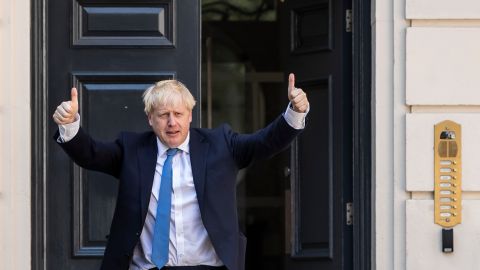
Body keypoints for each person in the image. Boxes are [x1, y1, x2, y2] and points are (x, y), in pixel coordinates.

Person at [53, 73, 309, 270]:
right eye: (163, 115)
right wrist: (70, 125)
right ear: (150, 118)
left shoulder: (221, 144)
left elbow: (264, 142)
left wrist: (295, 112)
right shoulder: (132, 149)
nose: (172, 122)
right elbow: (92, 154)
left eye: (178, 114)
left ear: (190, 116)